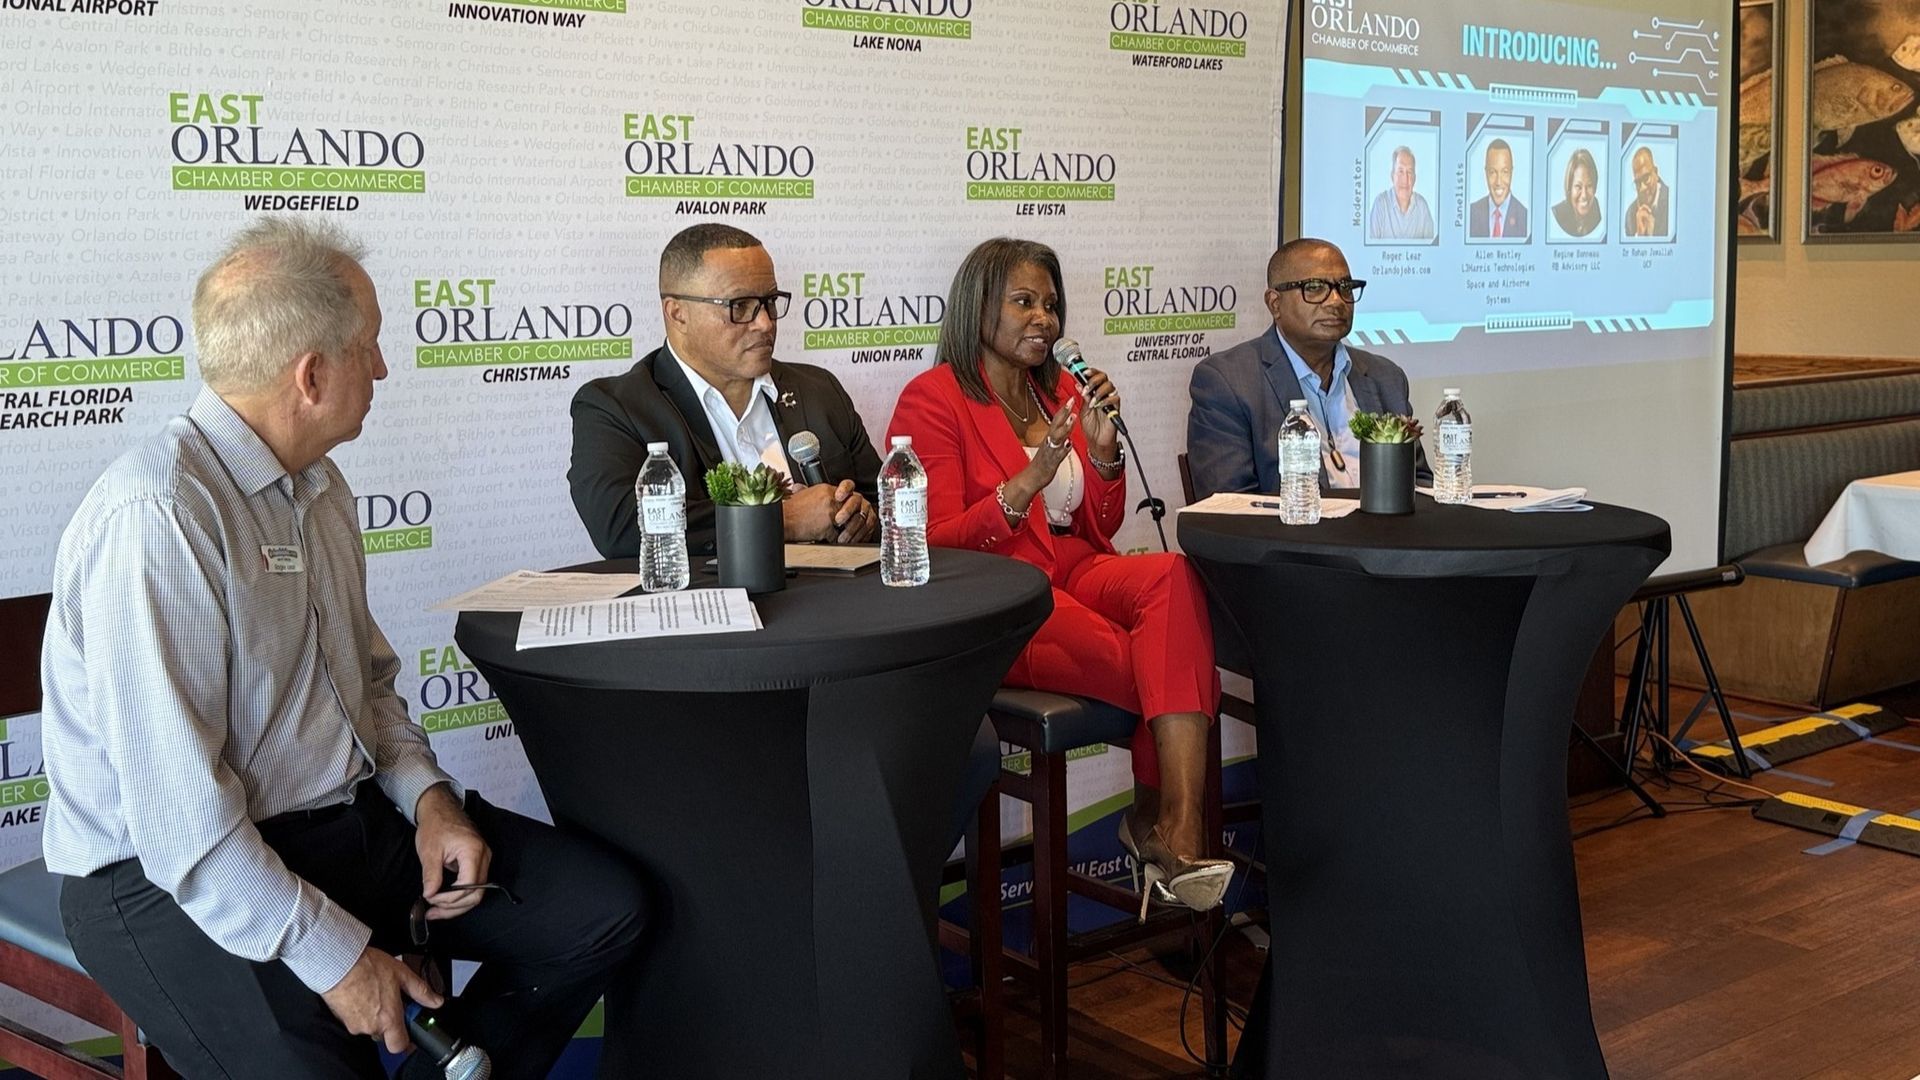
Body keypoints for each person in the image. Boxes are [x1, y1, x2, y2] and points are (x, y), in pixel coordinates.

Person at [39, 217, 646, 1080]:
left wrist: (431, 798)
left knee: (600, 910)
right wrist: (338, 959)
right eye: (372, 347)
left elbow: (366, 686)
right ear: (312, 374)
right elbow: (182, 824)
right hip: (164, 879)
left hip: (334, 823)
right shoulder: (160, 516)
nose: (386, 369)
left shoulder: (319, 487)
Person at [886, 238, 1232, 915]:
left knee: (1171, 576)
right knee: (1171, 669)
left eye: (1050, 303)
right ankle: (1160, 826)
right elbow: (934, 546)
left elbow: (1096, 522)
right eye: (1024, 302)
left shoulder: (1062, 392)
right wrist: (1025, 483)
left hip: (1074, 567)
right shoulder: (933, 400)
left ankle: (1173, 828)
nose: (1043, 318)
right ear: (979, 309)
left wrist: (1102, 457)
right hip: (999, 595)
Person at [569, 223, 880, 559]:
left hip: (833, 602)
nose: (765, 323)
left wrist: (860, 517)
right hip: (702, 607)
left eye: (770, 302)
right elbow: (624, 528)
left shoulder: (820, 390)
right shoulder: (615, 408)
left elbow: (883, 503)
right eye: (740, 306)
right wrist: (782, 519)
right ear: (678, 314)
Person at [1187, 238, 1424, 500]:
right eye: (1314, 288)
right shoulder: (1228, 381)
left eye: (1345, 287)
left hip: (1385, 536)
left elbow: (1421, 485)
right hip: (1292, 539)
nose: (1336, 301)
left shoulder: (1385, 377)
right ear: (1275, 304)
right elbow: (1231, 508)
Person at [1366, 145, 1436, 241]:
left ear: (1414, 178)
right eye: (1400, 171)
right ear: (1392, 176)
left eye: (1409, 172)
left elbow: (1432, 252)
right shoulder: (1381, 204)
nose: (1405, 179)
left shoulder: (1422, 206)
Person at [1468, 138, 1529, 240]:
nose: (1498, 182)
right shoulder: (1470, 214)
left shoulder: (1525, 219)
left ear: (1511, 172)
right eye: (1492, 172)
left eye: (1504, 172)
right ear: (1486, 173)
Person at [1551, 147, 1603, 238]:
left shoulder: (1595, 207)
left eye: (1589, 186)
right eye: (1578, 187)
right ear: (1569, 188)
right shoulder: (1557, 215)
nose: (1584, 195)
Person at [1624, 146, 1671, 238]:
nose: (1642, 188)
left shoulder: (1672, 202)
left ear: (1656, 173)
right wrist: (1639, 235)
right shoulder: (1630, 215)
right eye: (1637, 182)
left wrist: (1653, 235)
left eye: (1646, 178)